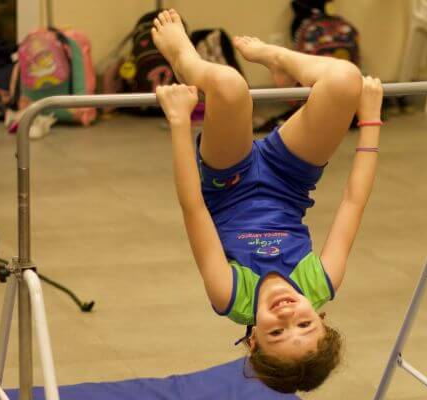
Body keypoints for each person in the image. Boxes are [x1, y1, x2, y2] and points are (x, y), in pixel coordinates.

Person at [152, 9, 383, 393]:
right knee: (346, 80)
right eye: (305, 324)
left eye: (277, 332)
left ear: (254, 339)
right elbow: (353, 202)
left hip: (227, 182)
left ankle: (184, 60)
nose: (289, 314)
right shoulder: (319, 282)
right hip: (290, 178)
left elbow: (193, 207)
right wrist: (370, 119)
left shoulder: (231, 294)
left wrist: (180, 123)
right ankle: (280, 60)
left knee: (228, 86)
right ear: (321, 319)